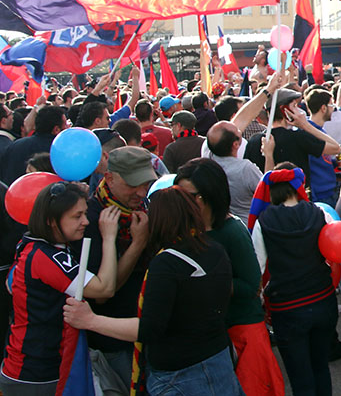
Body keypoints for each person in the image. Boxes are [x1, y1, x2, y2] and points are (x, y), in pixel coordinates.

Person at [64, 187, 242, 396]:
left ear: (158, 220)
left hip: (181, 375)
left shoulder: (167, 263)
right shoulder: (214, 249)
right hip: (218, 360)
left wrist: (91, 320)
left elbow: (149, 328)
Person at [175, 159, 284, 396]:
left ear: (209, 195)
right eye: (177, 195)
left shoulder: (232, 231)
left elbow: (251, 285)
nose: (181, 203)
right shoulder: (185, 228)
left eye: (189, 196)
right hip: (210, 335)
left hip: (242, 331)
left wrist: (205, 284)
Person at [0, 183, 119, 396]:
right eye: (77, 216)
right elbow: (105, 289)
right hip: (35, 374)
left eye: (85, 213)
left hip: (31, 367)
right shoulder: (45, 257)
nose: (86, 221)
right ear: (51, 220)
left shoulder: (31, 244)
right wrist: (109, 238)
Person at [249, 162, 337, 396]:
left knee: (300, 377)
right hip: (323, 299)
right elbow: (335, 251)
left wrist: (259, 302)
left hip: (287, 308)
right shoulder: (319, 213)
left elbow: (257, 268)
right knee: (321, 368)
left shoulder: (264, 221)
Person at [74, 146, 153, 391]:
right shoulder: (89, 219)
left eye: (146, 184)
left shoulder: (144, 207)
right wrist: (138, 244)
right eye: (133, 185)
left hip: (144, 330)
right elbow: (103, 293)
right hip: (112, 340)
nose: (141, 192)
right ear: (109, 178)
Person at [206, 121, 265, 225]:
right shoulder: (245, 169)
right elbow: (267, 192)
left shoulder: (208, 161)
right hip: (247, 226)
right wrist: (268, 155)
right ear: (236, 144)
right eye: (237, 130)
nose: (240, 130)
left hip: (219, 224)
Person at [1, 106, 66, 186]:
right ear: (56, 129)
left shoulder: (15, 145)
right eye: (65, 125)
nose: (67, 127)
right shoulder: (59, 150)